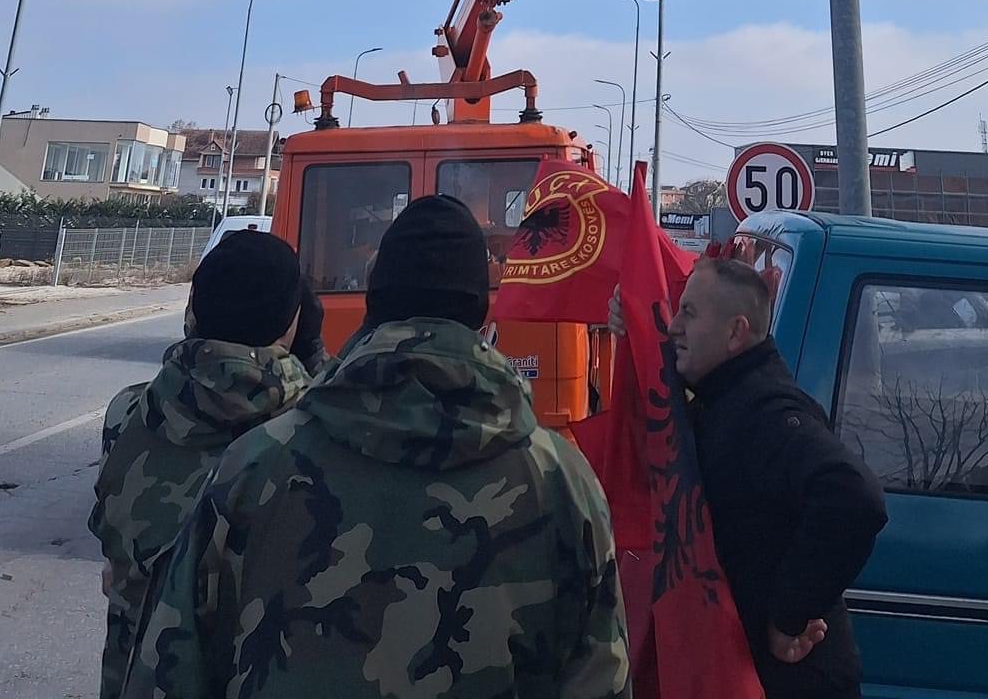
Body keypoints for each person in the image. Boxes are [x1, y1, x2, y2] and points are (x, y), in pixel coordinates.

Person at [123, 194, 630, 699]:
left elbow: (172, 666)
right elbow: (601, 677)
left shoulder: (254, 466)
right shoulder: (561, 482)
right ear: (482, 316)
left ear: (375, 306)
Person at [89, 230, 314, 699]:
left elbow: (117, 557)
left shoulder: (129, 415)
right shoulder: (317, 428)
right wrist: (312, 356)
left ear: (193, 311)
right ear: (292, 323)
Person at [666, 256, 887, 697]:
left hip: (791, 680)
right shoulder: (725, 395)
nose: (674, 326)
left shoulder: (765, 413)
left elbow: (853, 496)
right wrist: (628, 319)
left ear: (734, 333)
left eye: (688, 313)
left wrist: (788, 615)